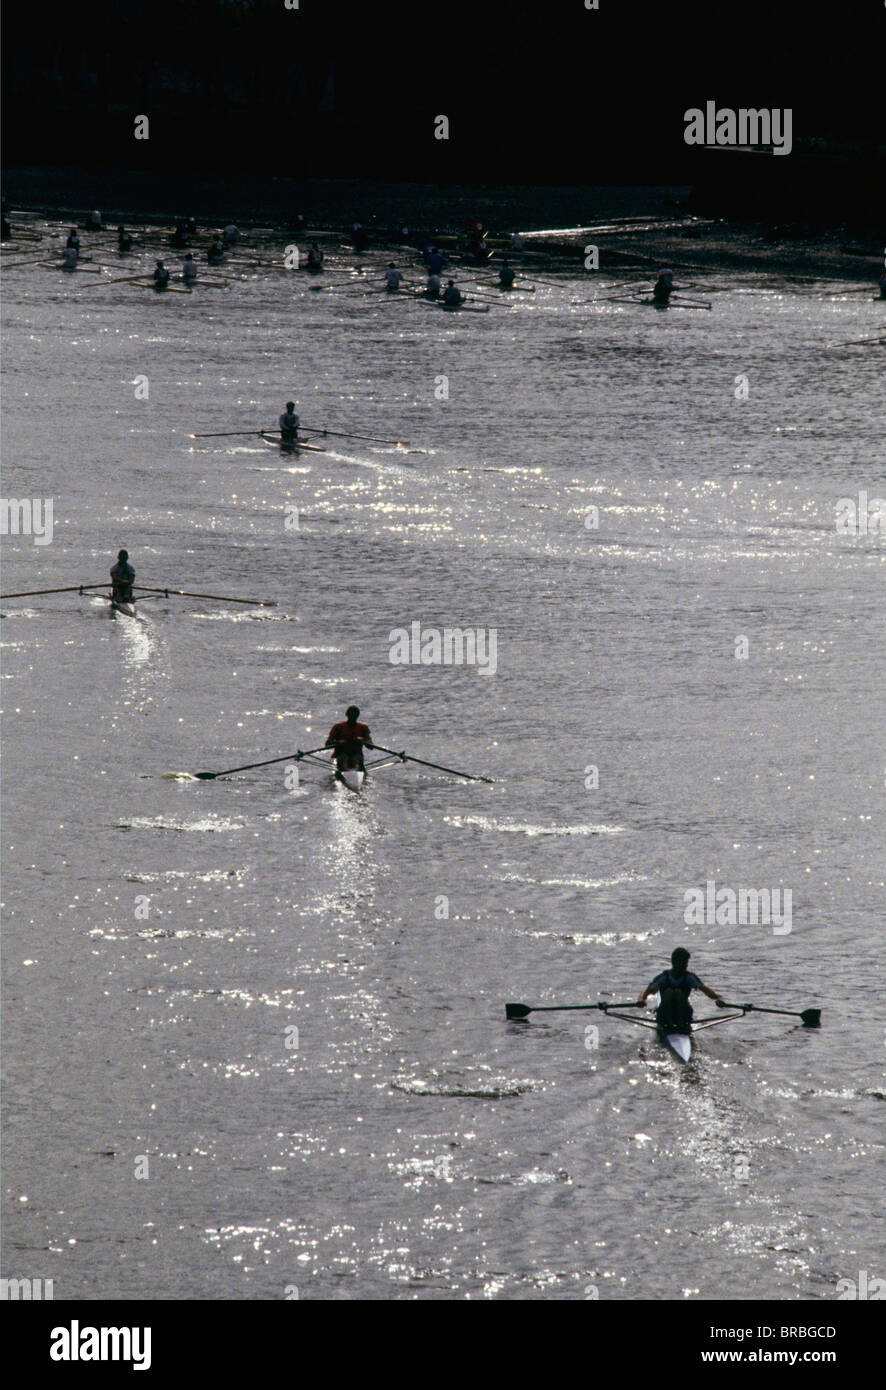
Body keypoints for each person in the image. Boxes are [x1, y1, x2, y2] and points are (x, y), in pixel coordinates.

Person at [636, 947, 726, 1035]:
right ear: (674, 962)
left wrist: (719, 998)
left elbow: (706, 990)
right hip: (665, 1015)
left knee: (678, 992)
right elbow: (646, 992)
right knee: (669, 992)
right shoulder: (663, 977)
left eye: (686, 962)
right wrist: (641, 999)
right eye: (683, 962)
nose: (686, 965)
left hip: (683, 1015)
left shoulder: (689, 977)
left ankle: (680, 1024)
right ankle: (670, 1025)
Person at [326, 706, 373, 778]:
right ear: (347, 715)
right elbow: (327, 744)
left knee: (356, 759)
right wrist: (338, 742)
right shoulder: (338, 727)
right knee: (344, 758)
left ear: (357, 715)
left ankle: (355, 775)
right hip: (341, 754)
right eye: (351, 715)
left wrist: (363, 740)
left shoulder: (363, 727)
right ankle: (349, 774)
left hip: (356, 755)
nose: (353, 717)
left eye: (355, 715)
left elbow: (370, 746)